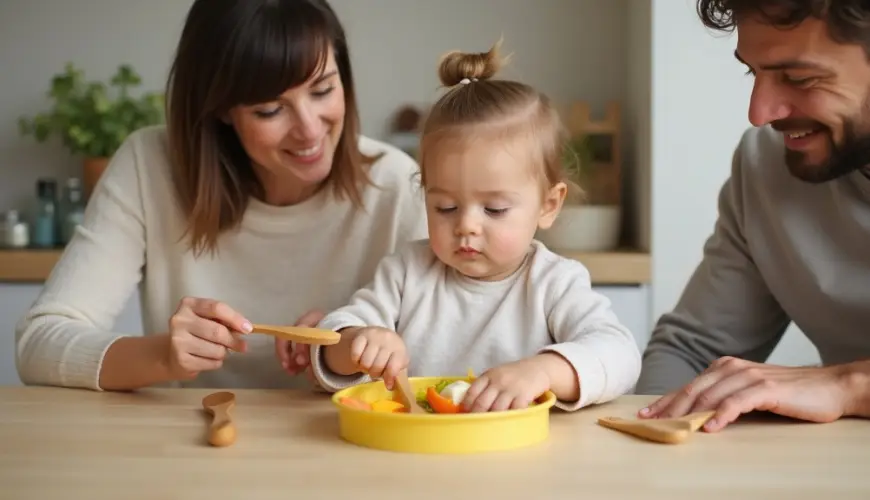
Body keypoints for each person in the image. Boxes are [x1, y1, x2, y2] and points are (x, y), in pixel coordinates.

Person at [14, 0, 427, 392]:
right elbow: (38, 344)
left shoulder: (397, 185)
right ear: (222, 110)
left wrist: (347, 346)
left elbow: (444, 358)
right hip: (189, 446)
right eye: (270, 109)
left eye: (322, 90)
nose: (309, 129)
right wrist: (162, 356)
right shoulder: (149, 167)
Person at [301, 41, 642, 412]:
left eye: (494, 209)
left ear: (548, 205)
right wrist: (358, 343)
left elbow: (620, 354)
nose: (466, 226)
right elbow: (329, 347)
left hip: (521, 459)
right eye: (445, 206)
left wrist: (543, 371)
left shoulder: (554, 282)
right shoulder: (406, 271)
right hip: (417, 455)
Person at [636, 0, 870, 431]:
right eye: (752, 71)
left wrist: (849, 384)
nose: (759, 113)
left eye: (799, 78)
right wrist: (652, 443)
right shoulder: (765, 166)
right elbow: (692, 352)